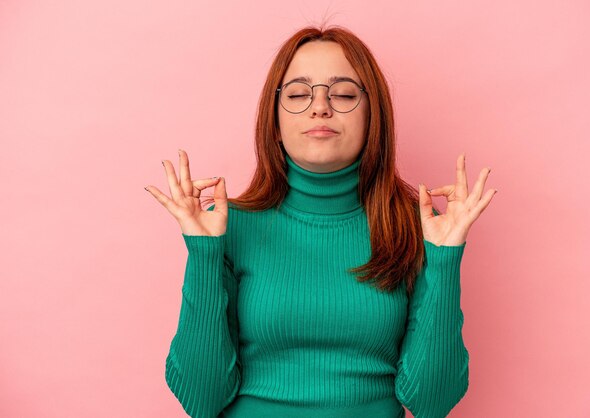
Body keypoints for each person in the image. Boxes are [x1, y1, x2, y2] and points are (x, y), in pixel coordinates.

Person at [145, 25, 496, 418]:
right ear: (274, 124)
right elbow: (201, 398)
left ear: (373, 116)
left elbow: (433, 402)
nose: (320, 106)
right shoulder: (229, 228)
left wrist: (445, 259)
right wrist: (204, 253)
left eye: (343, 93)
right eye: (297, 94)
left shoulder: (413, 228)